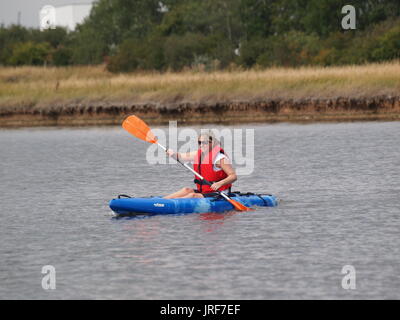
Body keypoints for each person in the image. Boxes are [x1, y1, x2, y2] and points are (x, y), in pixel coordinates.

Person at [164, 131, 237, 199]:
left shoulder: (220, 158)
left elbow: (233, 176)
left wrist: (220, 183)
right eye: (200, 142)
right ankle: (161, 201)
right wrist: (172, 154)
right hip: (205, 191)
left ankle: (168, 205)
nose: (201, 145)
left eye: (205, 142)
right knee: (186, 190)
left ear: (212, 143)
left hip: (220, 192)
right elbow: (180, 156)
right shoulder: (197, 154)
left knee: (192, 195)